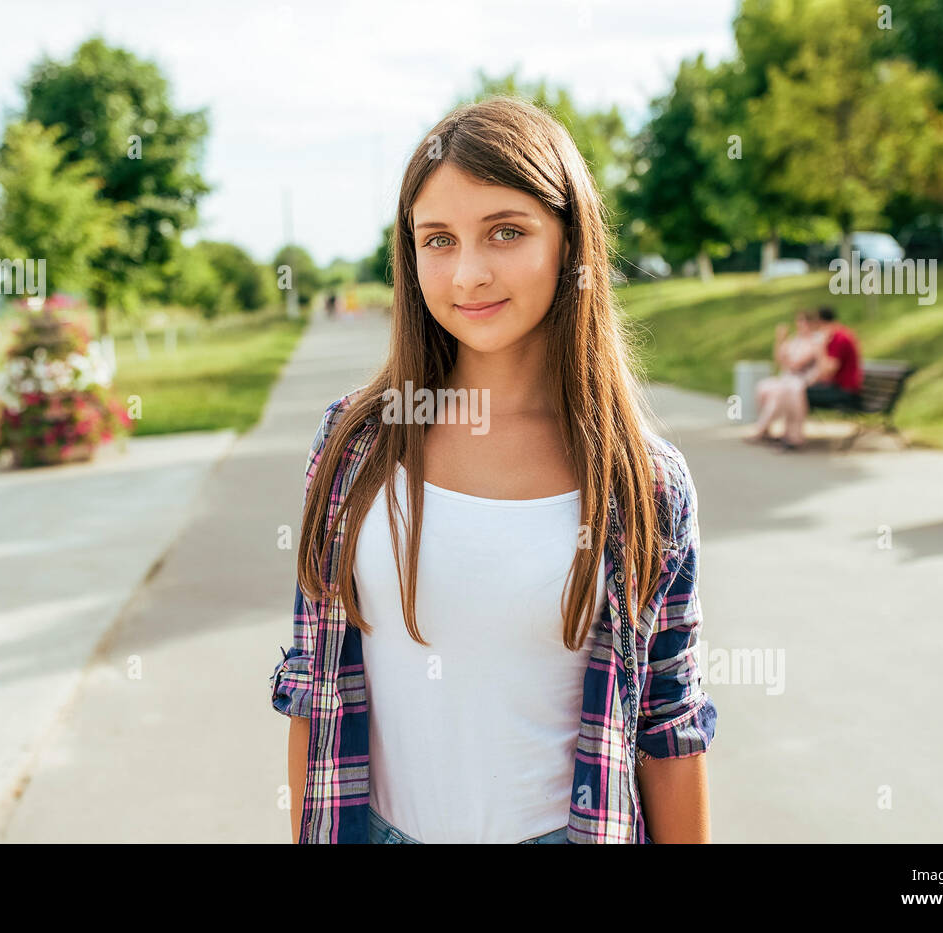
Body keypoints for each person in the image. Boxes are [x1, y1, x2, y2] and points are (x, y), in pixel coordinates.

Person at [270, 96, 717, 845]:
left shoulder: (643, 483)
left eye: (506, 232)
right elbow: (313, 686)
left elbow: (668, 728)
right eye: (438, 239)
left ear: (569, 242)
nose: (469, 273)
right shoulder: (355, 445)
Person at [744, 310, 822, 444]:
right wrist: (780, 341)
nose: (801, 325)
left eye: (805, 322)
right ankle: (766, 429)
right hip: (787, 378)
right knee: (763, 387)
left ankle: (763, 430)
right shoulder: (795, 339)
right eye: (799, 321)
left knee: (779, 393)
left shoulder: (815, 341)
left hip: (800, 380)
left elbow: (796, 364)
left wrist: (783, 345)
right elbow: (779, 360)